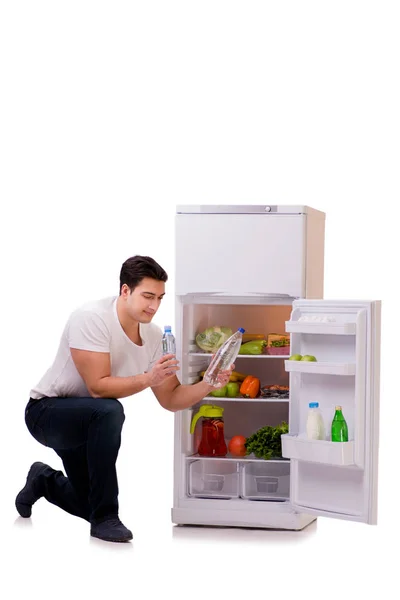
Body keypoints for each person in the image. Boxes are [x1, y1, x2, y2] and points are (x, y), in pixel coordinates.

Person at [16, 255, 233, 543]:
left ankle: (43, 480)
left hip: (90, 424)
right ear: (125, 291)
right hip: (47, 413)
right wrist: (147, 378)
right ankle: (107, 516)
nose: (154, 306)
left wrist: (208, 383)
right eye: (147, 296)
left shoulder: (155, 336)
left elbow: (170, 398)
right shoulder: (92, 318)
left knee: (86, 504)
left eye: (159, 297)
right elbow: (97, 387)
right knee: (109, 410)